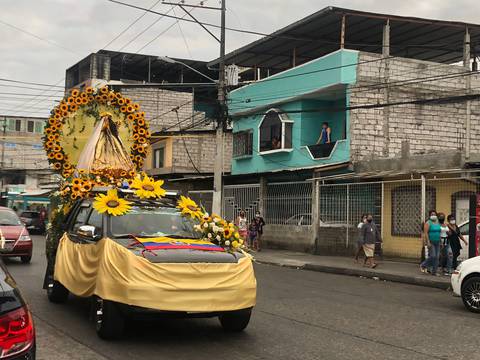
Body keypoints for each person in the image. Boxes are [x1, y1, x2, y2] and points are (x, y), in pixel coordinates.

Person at [420, 210, 441, 276]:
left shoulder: (437, 222)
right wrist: (428, 242)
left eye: (434, 214)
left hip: (437, 242)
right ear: (429, 215)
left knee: (437, 257)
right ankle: (423, 265)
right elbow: (425, 233)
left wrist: (441, 241)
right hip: (431, 242)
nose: (433, 215)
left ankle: (434, 272)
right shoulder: (428, 223)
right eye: (432, 214)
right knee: (433, 256)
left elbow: (439, 232)